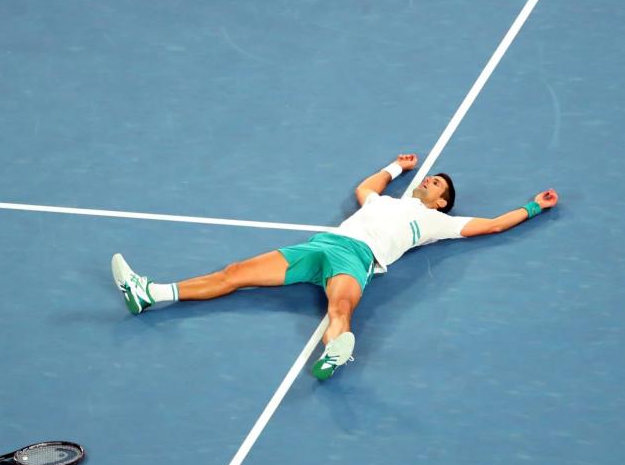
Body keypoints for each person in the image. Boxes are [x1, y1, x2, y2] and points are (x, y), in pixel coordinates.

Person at [111, 153, 559, 380]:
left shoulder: (439, 223)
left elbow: (497, 224)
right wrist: (394, 167)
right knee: (234, 274)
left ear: (442, 201)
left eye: (436, 183)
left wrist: (533, 207)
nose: (429, 180)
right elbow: (366, 187)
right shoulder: (383, 199)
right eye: (428, 176)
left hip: (356, 258)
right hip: (321, 246)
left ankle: (334, 353)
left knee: (340, 308)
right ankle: (149, 293)